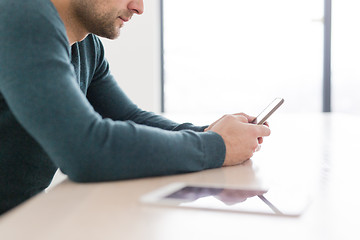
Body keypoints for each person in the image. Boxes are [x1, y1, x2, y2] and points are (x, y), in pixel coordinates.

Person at [0, 0, 271, 215]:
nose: (139, 7)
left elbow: (127, 117)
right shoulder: (21, 14)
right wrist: (217, 146)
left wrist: (209, 134)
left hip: (24, 221)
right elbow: (86, 152)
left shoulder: (85, 45)